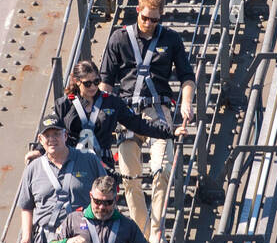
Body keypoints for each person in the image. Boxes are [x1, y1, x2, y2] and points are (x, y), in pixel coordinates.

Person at [99, 0, 196, 243]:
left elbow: (187, 76)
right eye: (146, 18)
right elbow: (106, 81)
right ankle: (142, 236)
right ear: (138, 11)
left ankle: (156, 232)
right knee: (130, 177)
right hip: (127, 112)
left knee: (162, 169)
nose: (150, 24)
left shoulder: (171, 39)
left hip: (158, 109)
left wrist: (186, 102)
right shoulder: (119, 39)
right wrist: (100, 113)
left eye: (155, 19)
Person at [15, 115, 106, 243]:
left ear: (65, 135)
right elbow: (26, 206)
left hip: (81, 238)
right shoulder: (33, 169)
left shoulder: (88, 160)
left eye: (56, 133)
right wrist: (26, 237)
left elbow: (106, 193)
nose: (52, 139)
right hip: (48, 241)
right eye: (47, 135)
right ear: (40, 140)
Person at [26, 60, 173, 173]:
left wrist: (169, 132)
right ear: (77, 82)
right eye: (87, 83)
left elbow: (137, 124)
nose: (93, 87)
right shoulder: (64, 104)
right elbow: (51, 129)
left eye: (96, 82)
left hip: (102, 164)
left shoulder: (112, 101)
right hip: (71, 163)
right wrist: (39, 150)